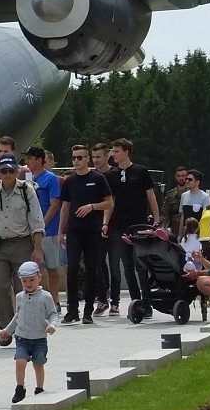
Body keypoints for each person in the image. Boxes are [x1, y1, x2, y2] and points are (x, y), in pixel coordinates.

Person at [0, 156, 45, 330]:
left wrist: (37, 249)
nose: (7, 174)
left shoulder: (26, 190)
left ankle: (26, 325)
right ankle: (6, 326)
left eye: (11, 171)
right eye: (4, 171)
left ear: (17, 171)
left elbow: (37, 221)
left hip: (22, 244)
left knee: (24, 287)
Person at [57, 145, 113, 325]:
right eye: (74, 158)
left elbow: (109, 203)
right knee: (71, 268)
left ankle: (88, 310)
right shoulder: (70, 181)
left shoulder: (98, 178)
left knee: (92, 270)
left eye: (80, 158)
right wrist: (60, 231)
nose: (76, 161)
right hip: (74, 231)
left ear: (87, 159)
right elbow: (65, 206)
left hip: (92, 231)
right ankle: (72, 310)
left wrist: (92, 207)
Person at [106, 138, 160, 318]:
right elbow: (110, 201)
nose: (114, 155)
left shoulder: (140, 171)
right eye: (112, 151)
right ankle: (136, 301)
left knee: (141, 264)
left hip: (138, 224)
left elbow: (151, 196)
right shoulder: (111, 175)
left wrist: (156, 220)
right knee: (127, 266)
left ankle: (147, 301)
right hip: (118, 225)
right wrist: (106, 223)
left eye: (117, 151)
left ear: (126, 152)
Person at [0, 261, 58, 404]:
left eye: (31, 280)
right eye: (25, 281)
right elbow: (17, 316)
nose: (28, 283)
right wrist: (7, 330)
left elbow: (53, 314)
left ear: (39, 277)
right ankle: (20, 388)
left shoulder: (46, 296)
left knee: (38, 364)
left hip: (39, 338)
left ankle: (39, 388)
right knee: (20, 362)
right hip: (22, 338)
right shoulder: (19, 297)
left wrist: (52, 326)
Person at [24, 145, 62, 311]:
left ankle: (55, 301)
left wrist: (42, 224)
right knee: (36, 267)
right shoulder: (28, 179)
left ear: (39, 160)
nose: (27, 162)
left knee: (52, 267)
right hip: (31, 230)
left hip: (49, 229)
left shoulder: (50, 178)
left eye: (30, 158)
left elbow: (55, 204)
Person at [90, 142, 115, 316]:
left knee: (114, 265)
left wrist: (106, 223)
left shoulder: (114, 175)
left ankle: (114, 300)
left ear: (107, 156)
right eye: (94, 157)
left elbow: (112, 202)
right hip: (95, 225)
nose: (96, 160)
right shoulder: (91, 176)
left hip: (114, 225)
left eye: (99, 156)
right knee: (97, 263)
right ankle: (102, 298)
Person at [178, 169, 210, 240]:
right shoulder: (184, 196)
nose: (187, 181)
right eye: (186, 179)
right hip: (186, 234)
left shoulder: (205, 197)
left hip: (199, 234)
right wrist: (179, 235)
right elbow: (182, 216)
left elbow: (207, 217)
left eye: (190, 179)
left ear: (197, 182)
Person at [163, 167, 189, 234]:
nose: (181, 178)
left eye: (183, 176)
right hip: (174, 229)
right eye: (178, 176)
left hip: (189, 228)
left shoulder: (192, 193)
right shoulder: (170, 195)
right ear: (175, 177)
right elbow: (166, 214)